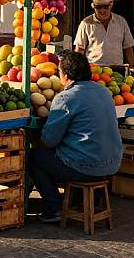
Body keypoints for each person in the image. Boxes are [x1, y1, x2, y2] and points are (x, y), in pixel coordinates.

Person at [29, 51, 122, 223]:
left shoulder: (66, 97)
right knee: (76, 150)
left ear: (65, 74)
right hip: (113, 163)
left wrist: (38, 141)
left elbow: (49, 141)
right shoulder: (104, 92)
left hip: (86, 165)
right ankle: (81, 202)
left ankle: (55, 208)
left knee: (35, 157)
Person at [74, 0, 134, 66]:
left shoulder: (121, 22)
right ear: (93, 6)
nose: (102, 10)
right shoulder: (85, 23)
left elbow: (128, 47)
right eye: (98, 7)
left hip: (117, 67)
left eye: (105, 7)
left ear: (111, 4)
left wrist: (131, 68)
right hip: (94, 68)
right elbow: (79, 49)